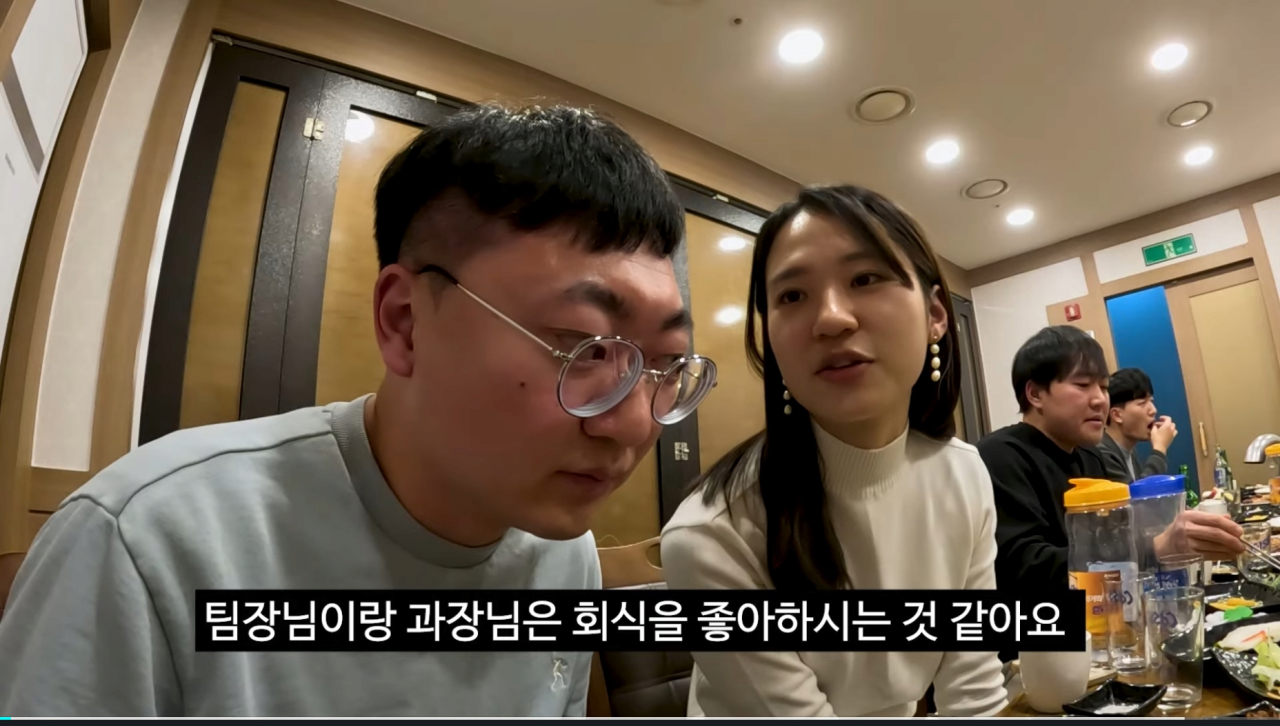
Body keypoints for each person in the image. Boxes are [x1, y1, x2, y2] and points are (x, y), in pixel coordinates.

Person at [0, 104, 715, 717]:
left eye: (663, 364)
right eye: (587, 347)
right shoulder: (148, 541)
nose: (635, 424)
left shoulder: (564, 555)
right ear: (405, 322)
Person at [660, 185, 1008, 718]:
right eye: (791, 296)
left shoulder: (962, 475)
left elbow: (974, 693)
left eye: (864, 279)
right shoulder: (713, 535)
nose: (831, 318)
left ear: (936, 314)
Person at [978, 327, 1242, 633]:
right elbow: (1026, 569)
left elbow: (1117, 536)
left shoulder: (1089, 456)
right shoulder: (1000, 455)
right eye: (1082, 385)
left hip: (1109, 624)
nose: (1100, 400)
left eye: (1103, 387)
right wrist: (1154, 548)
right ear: (1035, 394)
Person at [1098, 367, 1177, 484]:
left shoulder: (1131, 451)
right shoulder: (1102, 454)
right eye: (1142, 403)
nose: (1153, 410)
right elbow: (1140, 494)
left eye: (1151, 401)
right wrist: (1159, 450)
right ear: (1117, 415)